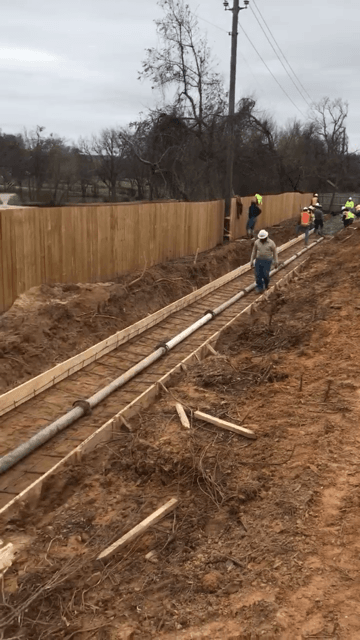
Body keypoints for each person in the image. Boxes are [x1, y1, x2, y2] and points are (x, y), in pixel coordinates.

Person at [250, 229, 278, 294]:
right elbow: (253, 252)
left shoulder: (271, 243)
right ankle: (259, 288)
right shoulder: (257, 242)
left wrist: (276, 262)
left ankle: (266, 285)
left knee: (265, 275)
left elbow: (275, 253)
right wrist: (251, 261)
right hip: (258, 260)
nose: (262, 239)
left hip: (267, 261)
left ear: (266, 237)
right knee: (258, 275)